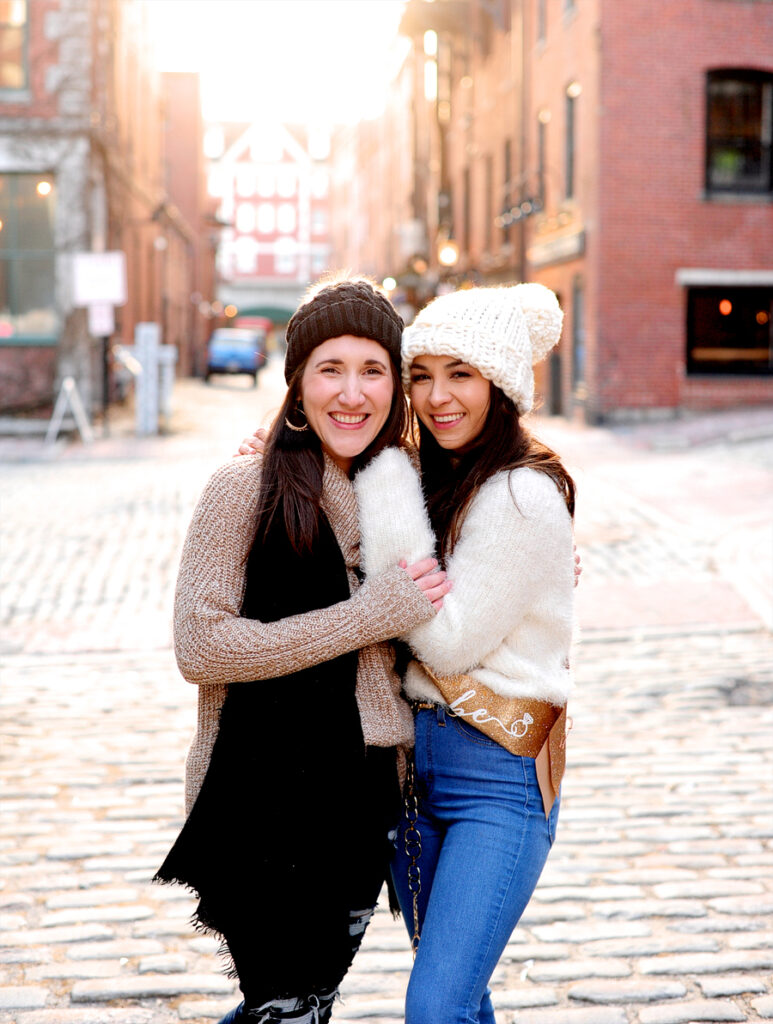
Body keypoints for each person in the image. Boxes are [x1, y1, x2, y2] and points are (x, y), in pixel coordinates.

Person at [154, 275, 451, 1024]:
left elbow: (483, 562)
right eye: (330, 368)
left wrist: (553, 564)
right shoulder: (243, 488)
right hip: (262, 798)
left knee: (302, 1007)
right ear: (296, 382)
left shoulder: (405, 489)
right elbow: (202, 644)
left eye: (372, 370)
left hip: (369, 794)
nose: (351, 393)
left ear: (395, 386)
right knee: (286, 1004)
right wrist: (366, 614)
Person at [351, 282, 576, 1024]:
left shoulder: (521, 497)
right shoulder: (441, 481)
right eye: (421, 375)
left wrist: (383, 483)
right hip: (413, 773)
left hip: (497, 777)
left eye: (461, 375)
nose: (436, 397)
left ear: (500, 385)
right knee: (461, 1000)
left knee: (435, 1007)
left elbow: (444, 638)